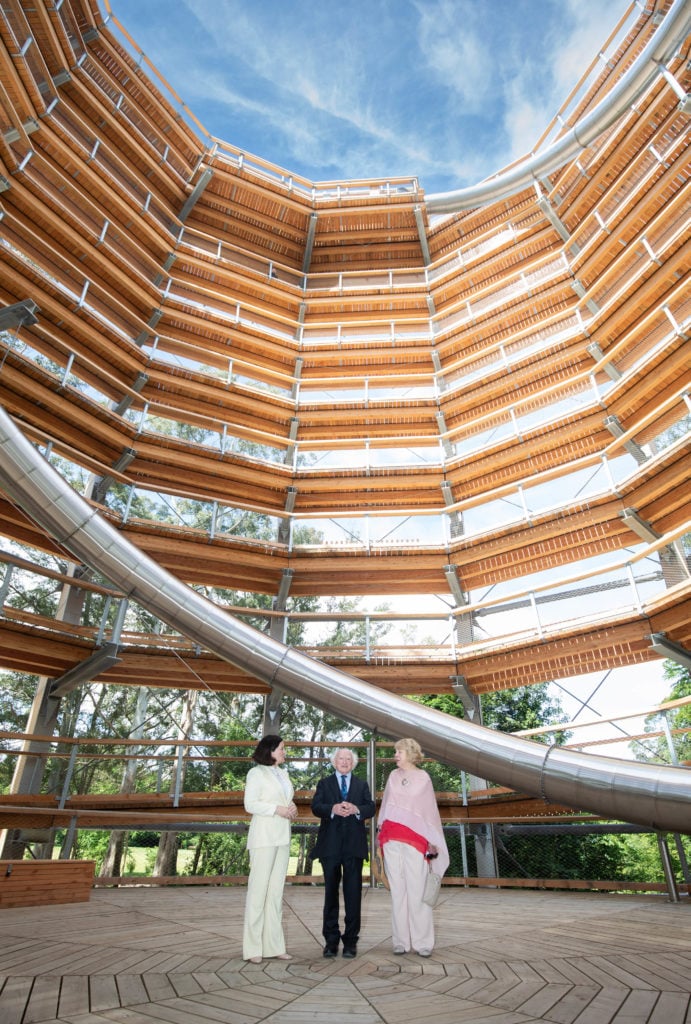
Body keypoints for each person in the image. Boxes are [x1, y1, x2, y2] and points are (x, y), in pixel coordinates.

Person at [377, 737, 449, 958]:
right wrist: (379, 835)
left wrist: (433, 841)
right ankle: (400, 941)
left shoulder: (423, 778)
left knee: (417, 891)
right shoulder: (392, 776)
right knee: (397, 892)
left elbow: (429, 813)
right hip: (391, 838)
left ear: (410, 753)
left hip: (416, 841)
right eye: (395, 752)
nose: (395, 755)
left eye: (399, 752)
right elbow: (386, 806)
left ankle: (423, 942)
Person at [311, 747, 376, 959]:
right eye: (341, 758)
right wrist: (333, 809)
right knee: (330, 894)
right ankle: (331, 941)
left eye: (349, 759)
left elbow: (370, 807)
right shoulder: (324, 783)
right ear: (334, 761)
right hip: (330, 847)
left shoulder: (361, 785)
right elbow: (316, 806)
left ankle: (350, 942)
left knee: (353, 895)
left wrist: (357, 810)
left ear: (353, 763)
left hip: (354, 847)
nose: (345, 762)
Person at [242, 734, 297, 963]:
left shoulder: (283, 773)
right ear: (270, 751)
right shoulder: (256, 773)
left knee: (275, 894)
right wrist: (277, 809)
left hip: (283, 837)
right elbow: (250, 804)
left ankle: (274, 946)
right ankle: (253, 948)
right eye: (282, 748)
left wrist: (291, 807)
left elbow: (285, 799)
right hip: (264, 838)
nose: (285, 752)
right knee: (258, 893)